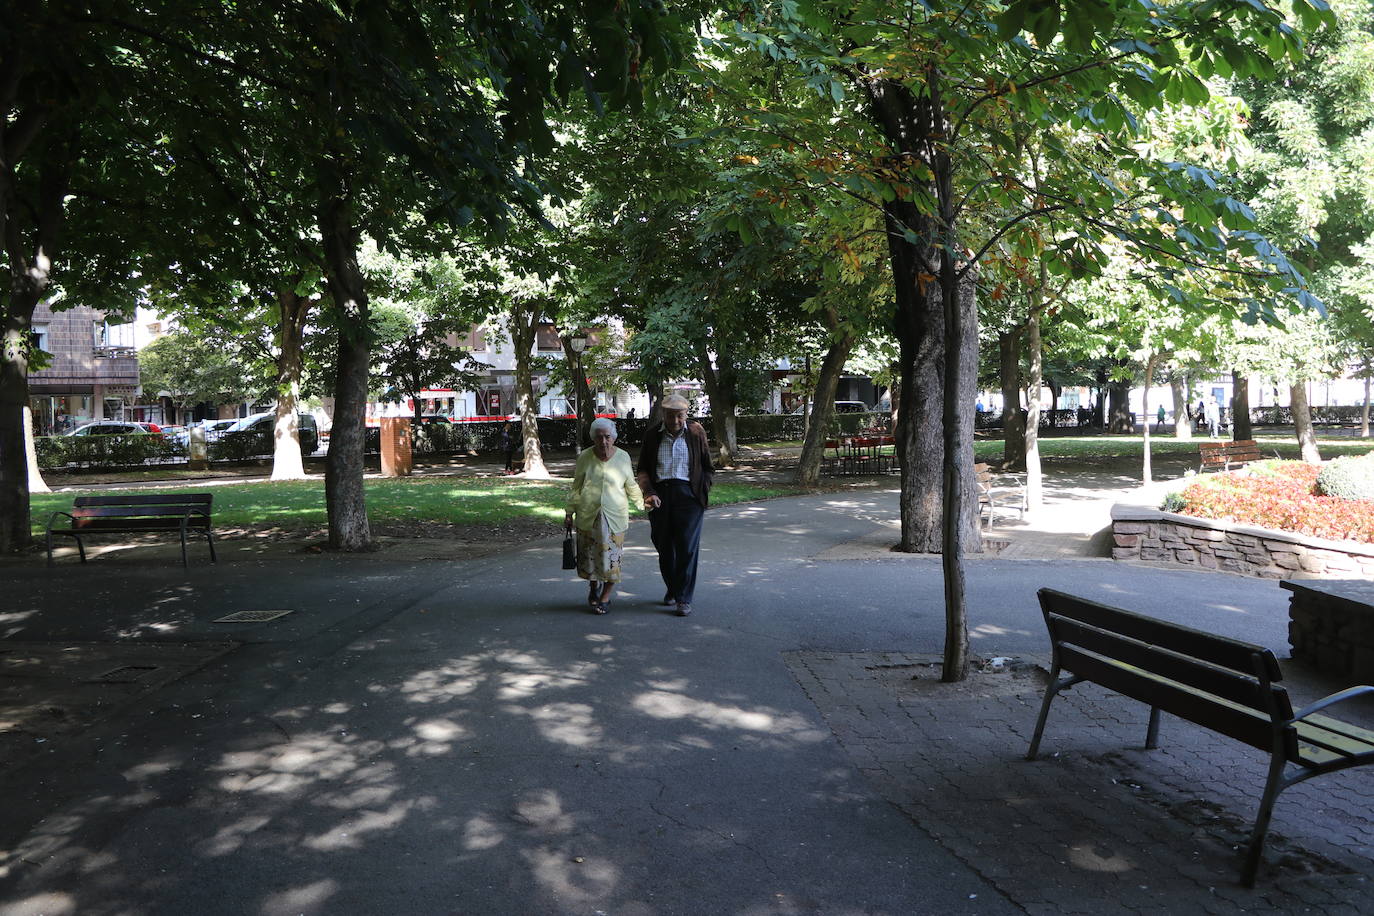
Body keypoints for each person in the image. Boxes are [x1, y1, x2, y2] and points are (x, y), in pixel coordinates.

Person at [636, 394, 714, 617]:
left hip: (689, 496)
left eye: (680, 416)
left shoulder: (697, 432)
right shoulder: (652, 436)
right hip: (660, 495)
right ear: (663, 415)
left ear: (686, 415)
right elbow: (642, 469)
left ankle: (683, 598)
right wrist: (649, 492)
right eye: (671, 416)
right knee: (663, 547)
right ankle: (673, 587)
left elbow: (708, 467)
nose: (675, 421)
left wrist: (702, 489)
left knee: (687, 548)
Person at [565, 418, 643, 615]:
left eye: (607, 437)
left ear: (614, 437)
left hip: (614, 516)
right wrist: (569, 511)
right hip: (588, 514)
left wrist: (643, 504)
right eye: (599, 437)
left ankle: (605, 597)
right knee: (590, 557)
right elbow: (577, 486)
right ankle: (593, 587)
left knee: (612, 559)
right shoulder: (585, 457)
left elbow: (631, 485)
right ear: (593, 438)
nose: (604, 441)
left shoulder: (623, 456)